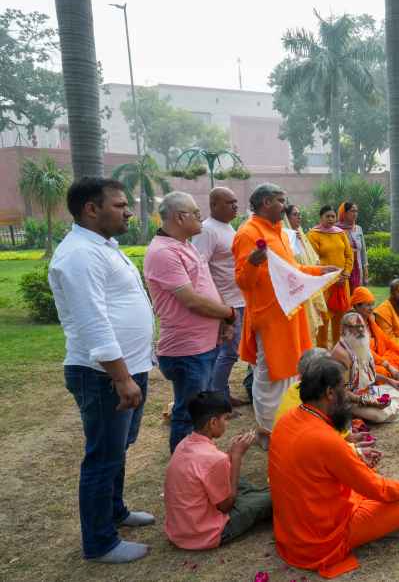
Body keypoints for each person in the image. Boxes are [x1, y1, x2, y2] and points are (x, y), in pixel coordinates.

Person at [49, 177, 155, 563]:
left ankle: (115, 511)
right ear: (91, 209)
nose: (128, 211)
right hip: (103, 375)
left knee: (118, 449)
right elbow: (93, 321)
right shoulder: (78, 254)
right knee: (103, 456)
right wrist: (121, 377)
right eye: (120, 205)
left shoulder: (102, 246)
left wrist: (138, 363)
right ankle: (100, 542)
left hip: (126, 368)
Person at [268, 358, 399, 578]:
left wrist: (356, 457)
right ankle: (382, 530)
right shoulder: (324, 438)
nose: (347, 394)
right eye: (343, 388)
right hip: (317, 540)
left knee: (369, 486)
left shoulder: (288, 419)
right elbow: (376, 488)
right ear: (330, 393)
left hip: (290, 530)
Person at [232, 183, 338, 448]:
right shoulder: (248, 232)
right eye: (281, 200)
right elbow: (243, 281)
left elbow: (292, 270)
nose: (285, 204)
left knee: (292, 374)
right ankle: (269, 434)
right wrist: (254, 263)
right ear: (266, 202)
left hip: (289, 316)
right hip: (270, 320)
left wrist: (319, 271)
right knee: (271, 378)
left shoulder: (278, 231)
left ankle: (287, 426)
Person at [144, 192, 238, 453]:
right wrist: (228, 313)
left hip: (203, 345)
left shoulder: (186, 245)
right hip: (187, 351)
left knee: (202, 414)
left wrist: (223, 321)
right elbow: (192, 300)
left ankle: (200, 461)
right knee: (188, 416)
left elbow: (206, 286)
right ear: (179, 217)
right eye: (196, 213)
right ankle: (186, 471)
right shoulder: (163, 253)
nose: (200, 217)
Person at [164, 392, 271, 550]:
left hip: (180, 530)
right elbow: (226, 506)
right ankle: (262, 496)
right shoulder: (215, 459)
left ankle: (255, 495)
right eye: (225, 419)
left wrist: (230, 457)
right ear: (213, 422)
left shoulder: (184, 444)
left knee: (234, 477)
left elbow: (209, 471)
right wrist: (236, 457)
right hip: (206, 533)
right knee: (275, 496)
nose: (226, 424)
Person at [191, 187, 248, 406]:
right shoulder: (207, 230)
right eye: (229, 202)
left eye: (235, 202)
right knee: (227, 352)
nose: (235, 206)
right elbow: (199, 268)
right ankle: (217, 399)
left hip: (238, 300)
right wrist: (219, 303)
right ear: (214, 205)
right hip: (224, 303)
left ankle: (221, 393)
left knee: (230, 351)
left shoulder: (228, 228)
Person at [333, 312, 399, 423]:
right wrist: (369, 402)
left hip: (365, 392)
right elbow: (341, 392)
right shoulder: (341, 354)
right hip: (347, 400)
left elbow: (366, 375)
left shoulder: (360, 343)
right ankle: (353, 413)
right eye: (355, 327)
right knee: (382, 414)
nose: (360, 330)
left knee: (396, 394)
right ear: (345, 330)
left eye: (362, 326)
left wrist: (389, 380)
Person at [307, 205, 354, 348]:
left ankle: (338, 349)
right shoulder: (313, 235)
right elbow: (312, 259)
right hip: (324, 283)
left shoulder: (340, 233)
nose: (331, 219)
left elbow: (349, 255)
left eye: (333, 216)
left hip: (342, 282)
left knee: (340, 316)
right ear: (320, 218)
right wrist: (328, 275)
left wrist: (346, 273)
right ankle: (321, 350)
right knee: (324, 317)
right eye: (327, 216)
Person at [351, 286, 399, 378]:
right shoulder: (352, 325)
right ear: (357, 306)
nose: (371, 308)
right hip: (364, 361)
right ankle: (388, 375)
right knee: (381, 372)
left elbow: (386, 340)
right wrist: (388, 366)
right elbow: (366, 352)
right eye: (368, 305)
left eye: (372, 304)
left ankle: (392, 372)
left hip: (379, 356)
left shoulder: (369, 321)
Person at [283, 203, 328, 338]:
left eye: (300, 214)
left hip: (308, 283)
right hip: (295, 287)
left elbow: (312, 258)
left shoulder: (300, 234)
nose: (299, 217)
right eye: (295, 215)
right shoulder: (285, 236)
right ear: (286, 217)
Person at [336, 202, 368, 288]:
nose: (355, 214)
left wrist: (365, 273)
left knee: (358, 297)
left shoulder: (358, 229)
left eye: (356, 211)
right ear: (344, 213)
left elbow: (363, 252)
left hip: (358, 269)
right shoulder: (336, 230)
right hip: (344, 270)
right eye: (352, 211)